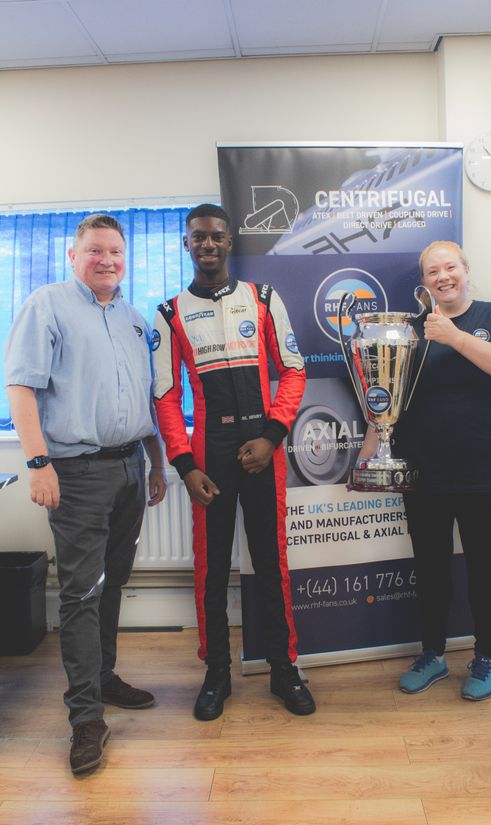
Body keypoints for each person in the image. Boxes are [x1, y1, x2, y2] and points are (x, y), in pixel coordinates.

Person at [4, 214, 167, 775]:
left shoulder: (131, 317)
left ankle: (103, 678)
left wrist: (158, 464)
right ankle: (85, 719)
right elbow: (21, 385)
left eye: (116, 251)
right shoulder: (47, 304)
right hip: (74, 473)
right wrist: (38, 462)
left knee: (112, 582)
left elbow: (146, 403)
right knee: (80, 595)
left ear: (126, 258)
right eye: (95, 250)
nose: (107, 260)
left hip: (129, 466)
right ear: (74, 256)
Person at [152, 203, 315, 720]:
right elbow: (165, 395)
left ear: (229, 242)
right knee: (211, 570)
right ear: (187, 244)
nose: (208, 245)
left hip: (263, 451)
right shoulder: (171, 312)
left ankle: (283, 670)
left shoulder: (263, 299)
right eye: (198, 237)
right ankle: (216, 672)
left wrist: (272, 436)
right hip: (209, 458)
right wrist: (184, 465)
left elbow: (293, 370)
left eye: (217, 237)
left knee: (271, 563)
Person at [359, 240, 491, 700]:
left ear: (465, 269)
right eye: (432, 271)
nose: (442, 277)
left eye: (449, 267)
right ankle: (432, 654)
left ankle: (485, 658)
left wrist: (454, 335)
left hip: (484, 469)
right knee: (430, 568)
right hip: (425, 471)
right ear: (425, 282)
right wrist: (368, 454)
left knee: (485, 568)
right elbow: (386, 395)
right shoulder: (411, 330)